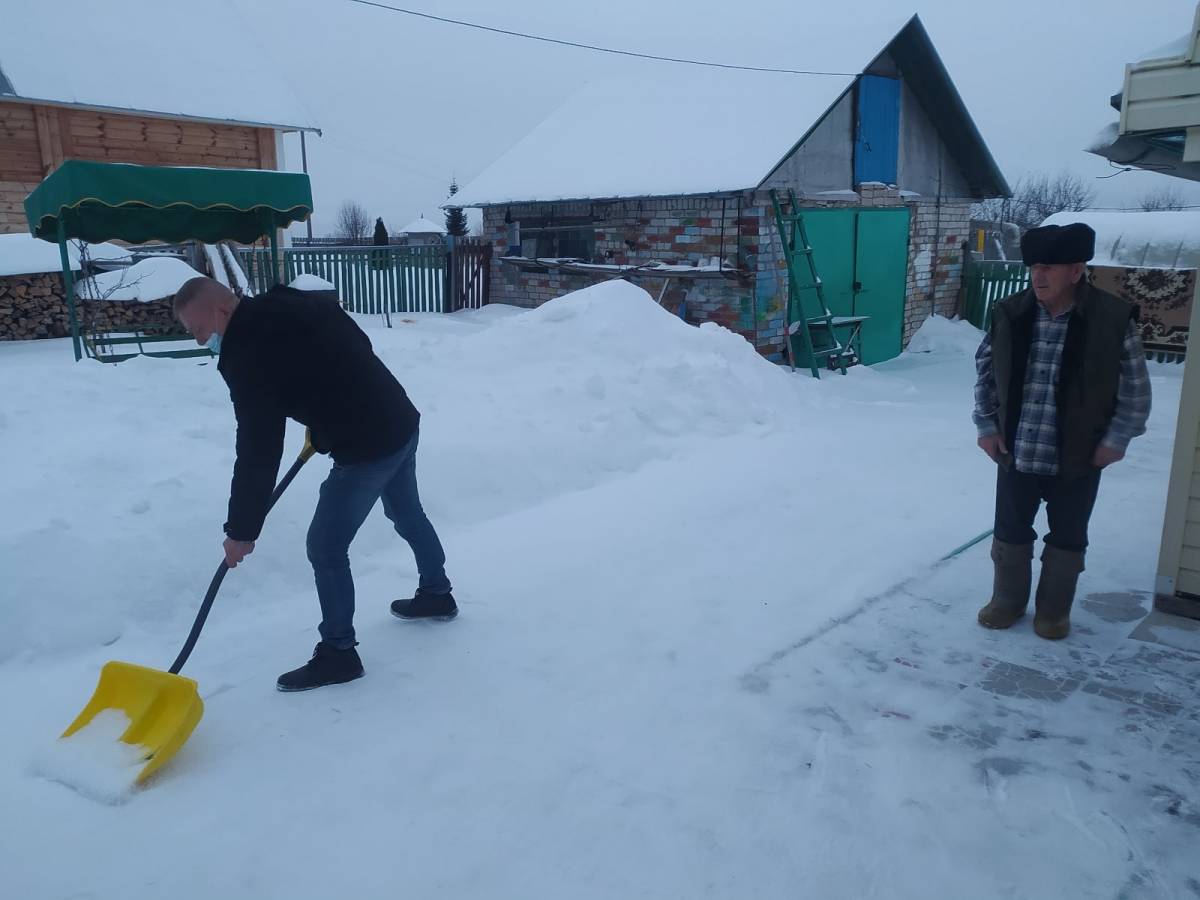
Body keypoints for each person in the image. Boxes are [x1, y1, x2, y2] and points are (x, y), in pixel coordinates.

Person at [173, 276, 457, 691]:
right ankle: (437, 592)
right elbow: (351, 342)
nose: (200, 342)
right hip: (398, 417)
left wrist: (241, 530)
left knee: (325, 546)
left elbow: (258, 448)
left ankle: (339, 653)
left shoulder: (245, 354)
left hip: (368, 446)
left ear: (220, 312)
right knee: (405, 511)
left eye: (198, 330)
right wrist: (328, 415)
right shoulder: (287, 301)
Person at [973, 223, 1151, 639]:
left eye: (1049, 268)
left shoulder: (1110, 319)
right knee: (1010, 532)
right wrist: (986, 425)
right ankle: (1007, 601)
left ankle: (1053, 611)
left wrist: (1117, 439)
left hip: (1078, 455)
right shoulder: (1011, 313)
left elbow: (1136, 390)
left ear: (1076, 271)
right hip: (1016, 451)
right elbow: (985, 375)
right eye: (1035, 266)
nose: (1038, 276)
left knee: (1068, 537)